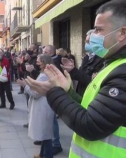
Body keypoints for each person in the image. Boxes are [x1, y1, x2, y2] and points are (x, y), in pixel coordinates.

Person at [25, 1, 126, 157]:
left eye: (98, 30)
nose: (92, 36)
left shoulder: (122, 72)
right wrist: (67, 91)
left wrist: (54, 93)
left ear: (122, 33)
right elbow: (91, 110)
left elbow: (90, 125)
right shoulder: (113, 63)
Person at [19, 54, 55, 158]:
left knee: (46, 135)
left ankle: (47, 155)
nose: (37, 63)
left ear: (44, 63)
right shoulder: (44, 73)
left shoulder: (44, 76)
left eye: (39, 61)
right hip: (43, 106)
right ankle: (42, 154)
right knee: (44, 134)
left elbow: (36, 93)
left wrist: (25, 85)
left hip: (43, 107)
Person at [61, 30, 105, 96]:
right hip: (81, 93)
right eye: (85, 41)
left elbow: (92, 82)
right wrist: (71, 70)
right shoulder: (87, 57)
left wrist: (74, 71)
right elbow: (81, 75)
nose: (86, 44)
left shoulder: (102, 59)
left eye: (88, 42)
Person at [42, 45, 63, 155]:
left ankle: (56, 144)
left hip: (53, 95)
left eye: (45, 51)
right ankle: (47, 141)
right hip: (48, 95)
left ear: (51, 53)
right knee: (49, 120)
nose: (43, 53)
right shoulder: (49, 62)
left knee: (52, 120)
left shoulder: (55, 64)